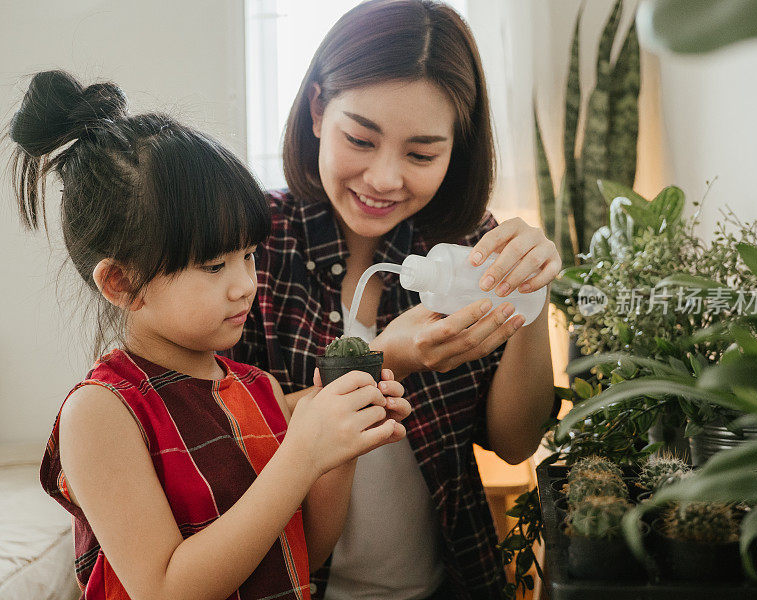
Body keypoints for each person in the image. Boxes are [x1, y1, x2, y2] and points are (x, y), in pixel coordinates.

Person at [10, 70, 412, 600]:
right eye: (214, 265)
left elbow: (302, 554)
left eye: (248, 256)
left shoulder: (257, 389)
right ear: (123, 282)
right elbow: (166, 588)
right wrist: (301, 457)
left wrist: (338, 448)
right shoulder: (102, 413)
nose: (245, 284)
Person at [232, 1, 561, 598]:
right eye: (360, 138)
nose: (385, 179)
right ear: (315, 111)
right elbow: (226, 433)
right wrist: (384, 359)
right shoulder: (250, 244)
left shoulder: (466, 250)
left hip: (450, 581)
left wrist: (531, 299)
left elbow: (515, 444)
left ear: (455, 149)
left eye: (421, 154)